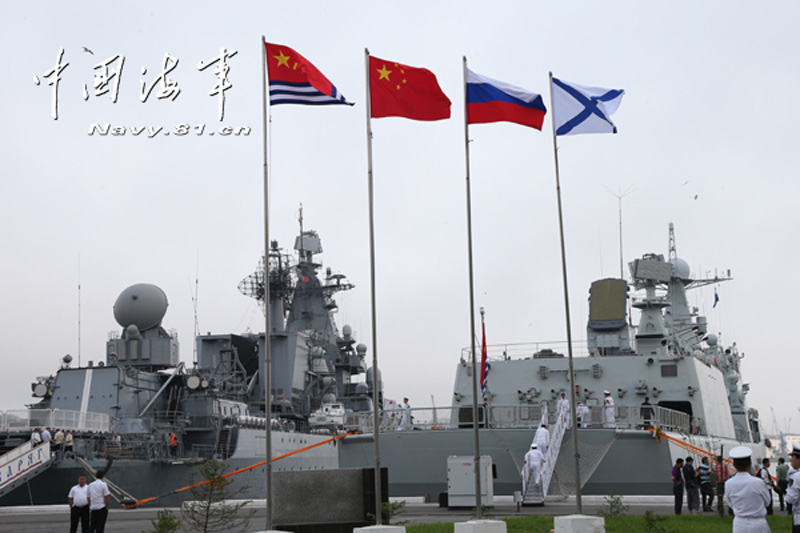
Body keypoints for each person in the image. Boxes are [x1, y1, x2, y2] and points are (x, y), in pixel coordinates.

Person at [725, 446, 770, 533]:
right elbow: (767, 502)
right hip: (758, 523)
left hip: (739, 523)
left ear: (734, 465)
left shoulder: (728, 483)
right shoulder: (758, 482)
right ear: (750, 464)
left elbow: (730, 504)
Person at [784, 444, 800, 532]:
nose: (791, 460)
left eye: (793, 457)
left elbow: (790, 499)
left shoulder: (796, 477)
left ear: (798, 460)